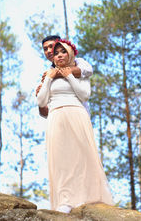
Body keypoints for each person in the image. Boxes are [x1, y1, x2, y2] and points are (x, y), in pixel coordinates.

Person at [37, 39, 114, 213]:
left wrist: (67, 74)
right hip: (56, 116)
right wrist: (48, 79)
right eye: (50, 51)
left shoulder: (80, 66)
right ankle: (65, 200)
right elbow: (41, 104)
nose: (55, 53)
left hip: (77, 114)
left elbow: (85, 92)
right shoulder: (47, 74)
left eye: (59, 50)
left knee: (82, 158)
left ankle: (89, 197)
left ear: (69, 52)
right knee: (61, 159)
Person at [36, 35, 93, 117]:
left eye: (51, 47)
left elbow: (88, 70)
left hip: (80, 117)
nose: (48, 51)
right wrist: (40, 97)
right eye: (45, 49)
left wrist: (57, 74)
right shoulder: (47, 75)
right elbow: (45, 114)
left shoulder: (78, 62)